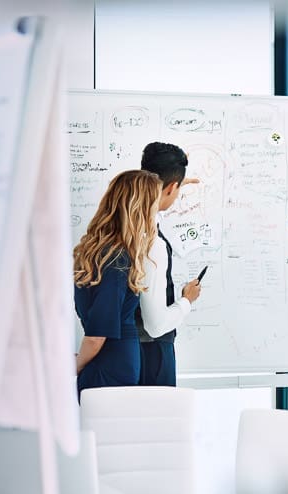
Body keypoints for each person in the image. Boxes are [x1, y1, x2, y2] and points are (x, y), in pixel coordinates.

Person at [74, 170, 162, 399]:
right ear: (139, 209)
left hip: (109, 366)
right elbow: (96, 335)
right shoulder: (116, 258)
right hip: (110, 368)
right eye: (153, 206)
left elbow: (95, 336)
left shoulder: (109, 255)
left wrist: (75, 366)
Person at [137, 142, 202, 386]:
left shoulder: (132, 222)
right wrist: (187, 300)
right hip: (151, 355)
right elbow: (155, 325)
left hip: (133, 352)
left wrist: (174, 185)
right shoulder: (153, 242)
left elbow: (155, 208)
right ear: (171, 187)